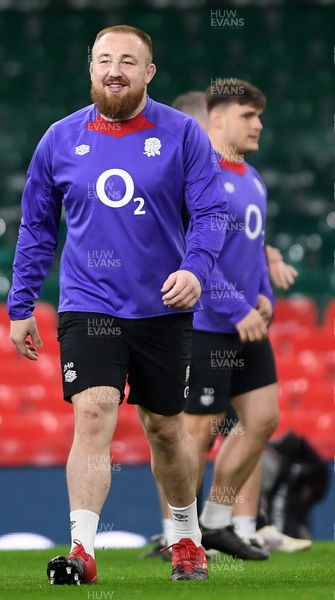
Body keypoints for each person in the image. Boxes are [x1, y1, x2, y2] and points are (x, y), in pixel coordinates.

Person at [7, 25, 227, 584]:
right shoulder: (59, 138)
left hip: (163, 305)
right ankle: (82, 551)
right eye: (104, 59)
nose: (115, 70)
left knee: (165, 429)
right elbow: (36, 228)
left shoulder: (182, 135)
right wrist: (20, 304)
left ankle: (185, 537)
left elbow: (210, 214)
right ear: (90, 68)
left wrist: (195, 271)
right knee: (93, 410)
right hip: (89, 302)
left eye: (128, 61)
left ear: (148, 72)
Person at [148, 87, 301, 561]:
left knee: (262, 420)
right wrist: (238, 309)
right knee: (195, 432)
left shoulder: (253, 178)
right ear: (216, 119)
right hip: (205, 323)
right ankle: (180, 534)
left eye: (260, 116)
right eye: (248, 115)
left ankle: (216, 522)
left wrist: (265, 297)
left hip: (245, 322)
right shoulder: (198, 174)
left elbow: (253, 250)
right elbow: (193, 254)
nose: (258, 125)